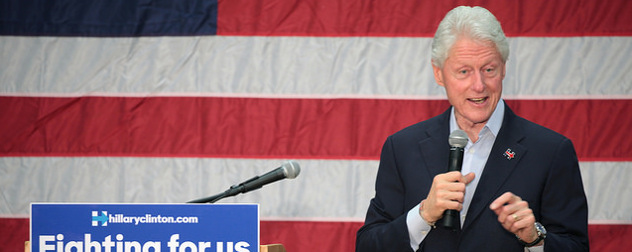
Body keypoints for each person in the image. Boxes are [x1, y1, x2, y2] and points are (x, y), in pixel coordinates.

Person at [355, 6, 588, 252]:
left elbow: (577, 247)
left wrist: (535, 238)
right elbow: (368, 246)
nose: (479, 85)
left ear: (504, 68)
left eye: (489, 69)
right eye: (464, 71)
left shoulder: (550, 151)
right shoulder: (402, 147)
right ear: (439, 74)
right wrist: (423, 215)